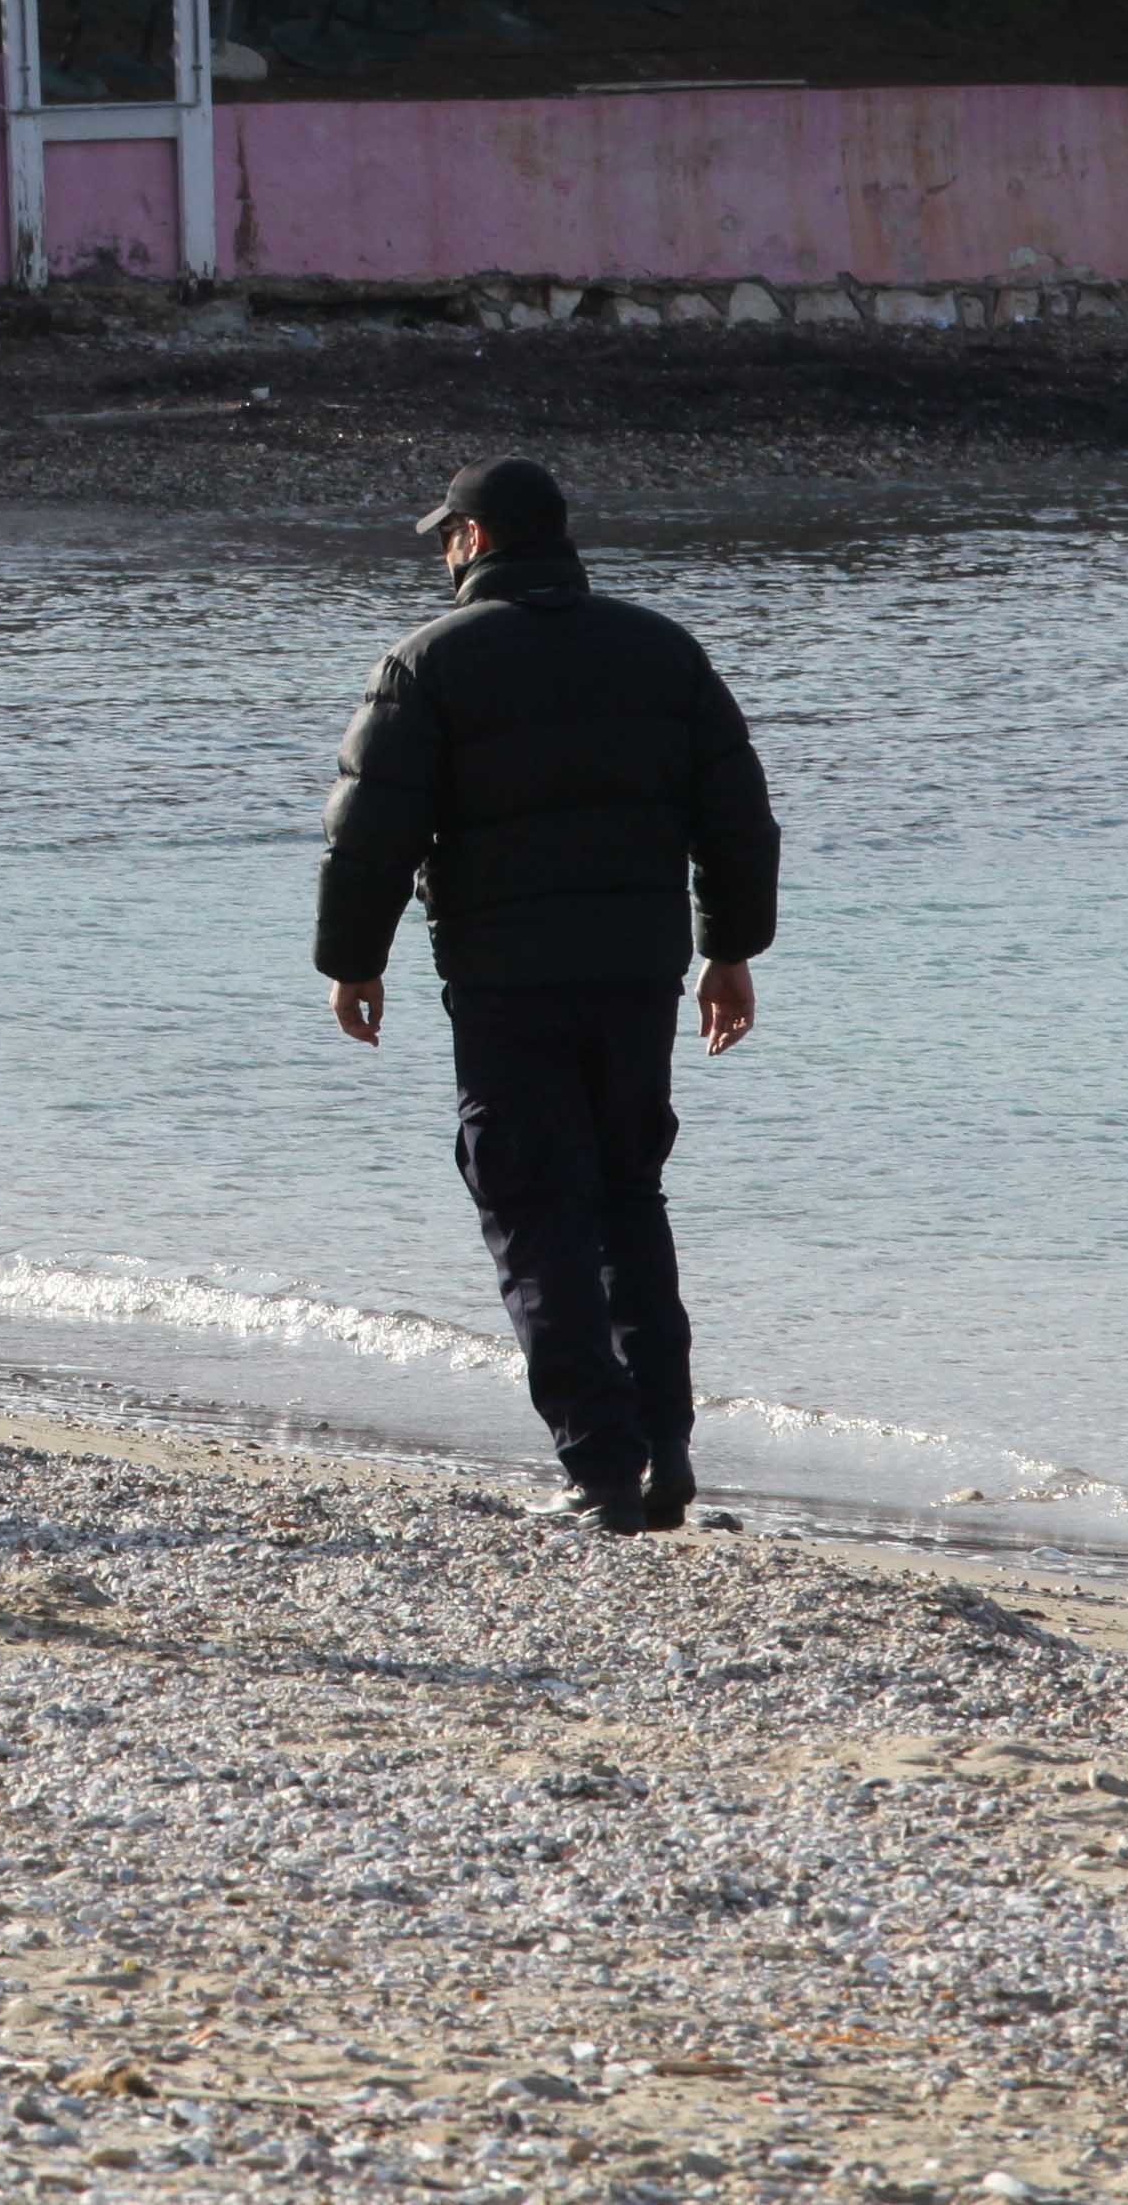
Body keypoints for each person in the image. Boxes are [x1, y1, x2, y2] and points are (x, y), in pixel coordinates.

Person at [314, 457, 776, 1535]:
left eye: (445, 537)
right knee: (628, 1200)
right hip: (638, 975)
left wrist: (354, 962)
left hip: (505, 979)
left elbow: (369, 833)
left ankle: (600, 1470)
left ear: (475, 538)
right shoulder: (662, 650)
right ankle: (663, 1452)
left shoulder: (431, 663)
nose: (440, 554)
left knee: (532, 1208)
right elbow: (738, 815)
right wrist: (731, 951)